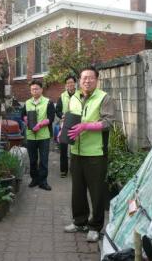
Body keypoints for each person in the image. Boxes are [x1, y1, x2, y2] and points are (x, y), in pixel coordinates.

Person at [63, 66, 115, 242]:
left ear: (96, 79)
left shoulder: (104, 98)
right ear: (79, 80)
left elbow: (108, 122)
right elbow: (69, 118)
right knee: (77, 190)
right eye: (84, 78)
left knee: (97, 192)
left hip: (95, 153)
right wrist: (62, 131)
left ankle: (95, 226)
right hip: (76, 151)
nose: (87, 81)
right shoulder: (74, 97)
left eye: (90, 78)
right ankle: (79, 221)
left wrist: (85, 126)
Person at [21, 80, 55, 191]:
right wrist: (26, 120)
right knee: (32, 160)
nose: (34, 91)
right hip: (31, 136)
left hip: (43, 136)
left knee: (44, 160)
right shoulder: (27, 103)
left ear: (41, 89)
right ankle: (34, 179)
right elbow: (23, 115)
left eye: (36, 89)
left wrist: (40, 124)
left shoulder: (48, 102)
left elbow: (51, 118)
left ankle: (43, 181)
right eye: (32, 89)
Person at [55, 75, 77, 178]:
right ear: (66, 85)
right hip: (64, 124)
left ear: (75, 83)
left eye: (71, 82)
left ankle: (74, 169)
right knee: (63, 148)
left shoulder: (80, 94)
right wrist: (61, 115)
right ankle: (63, 170)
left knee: (75, 148)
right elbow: (58, 110)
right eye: (68, 83)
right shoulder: (62, 96)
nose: (70, 84)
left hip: (76, 124)